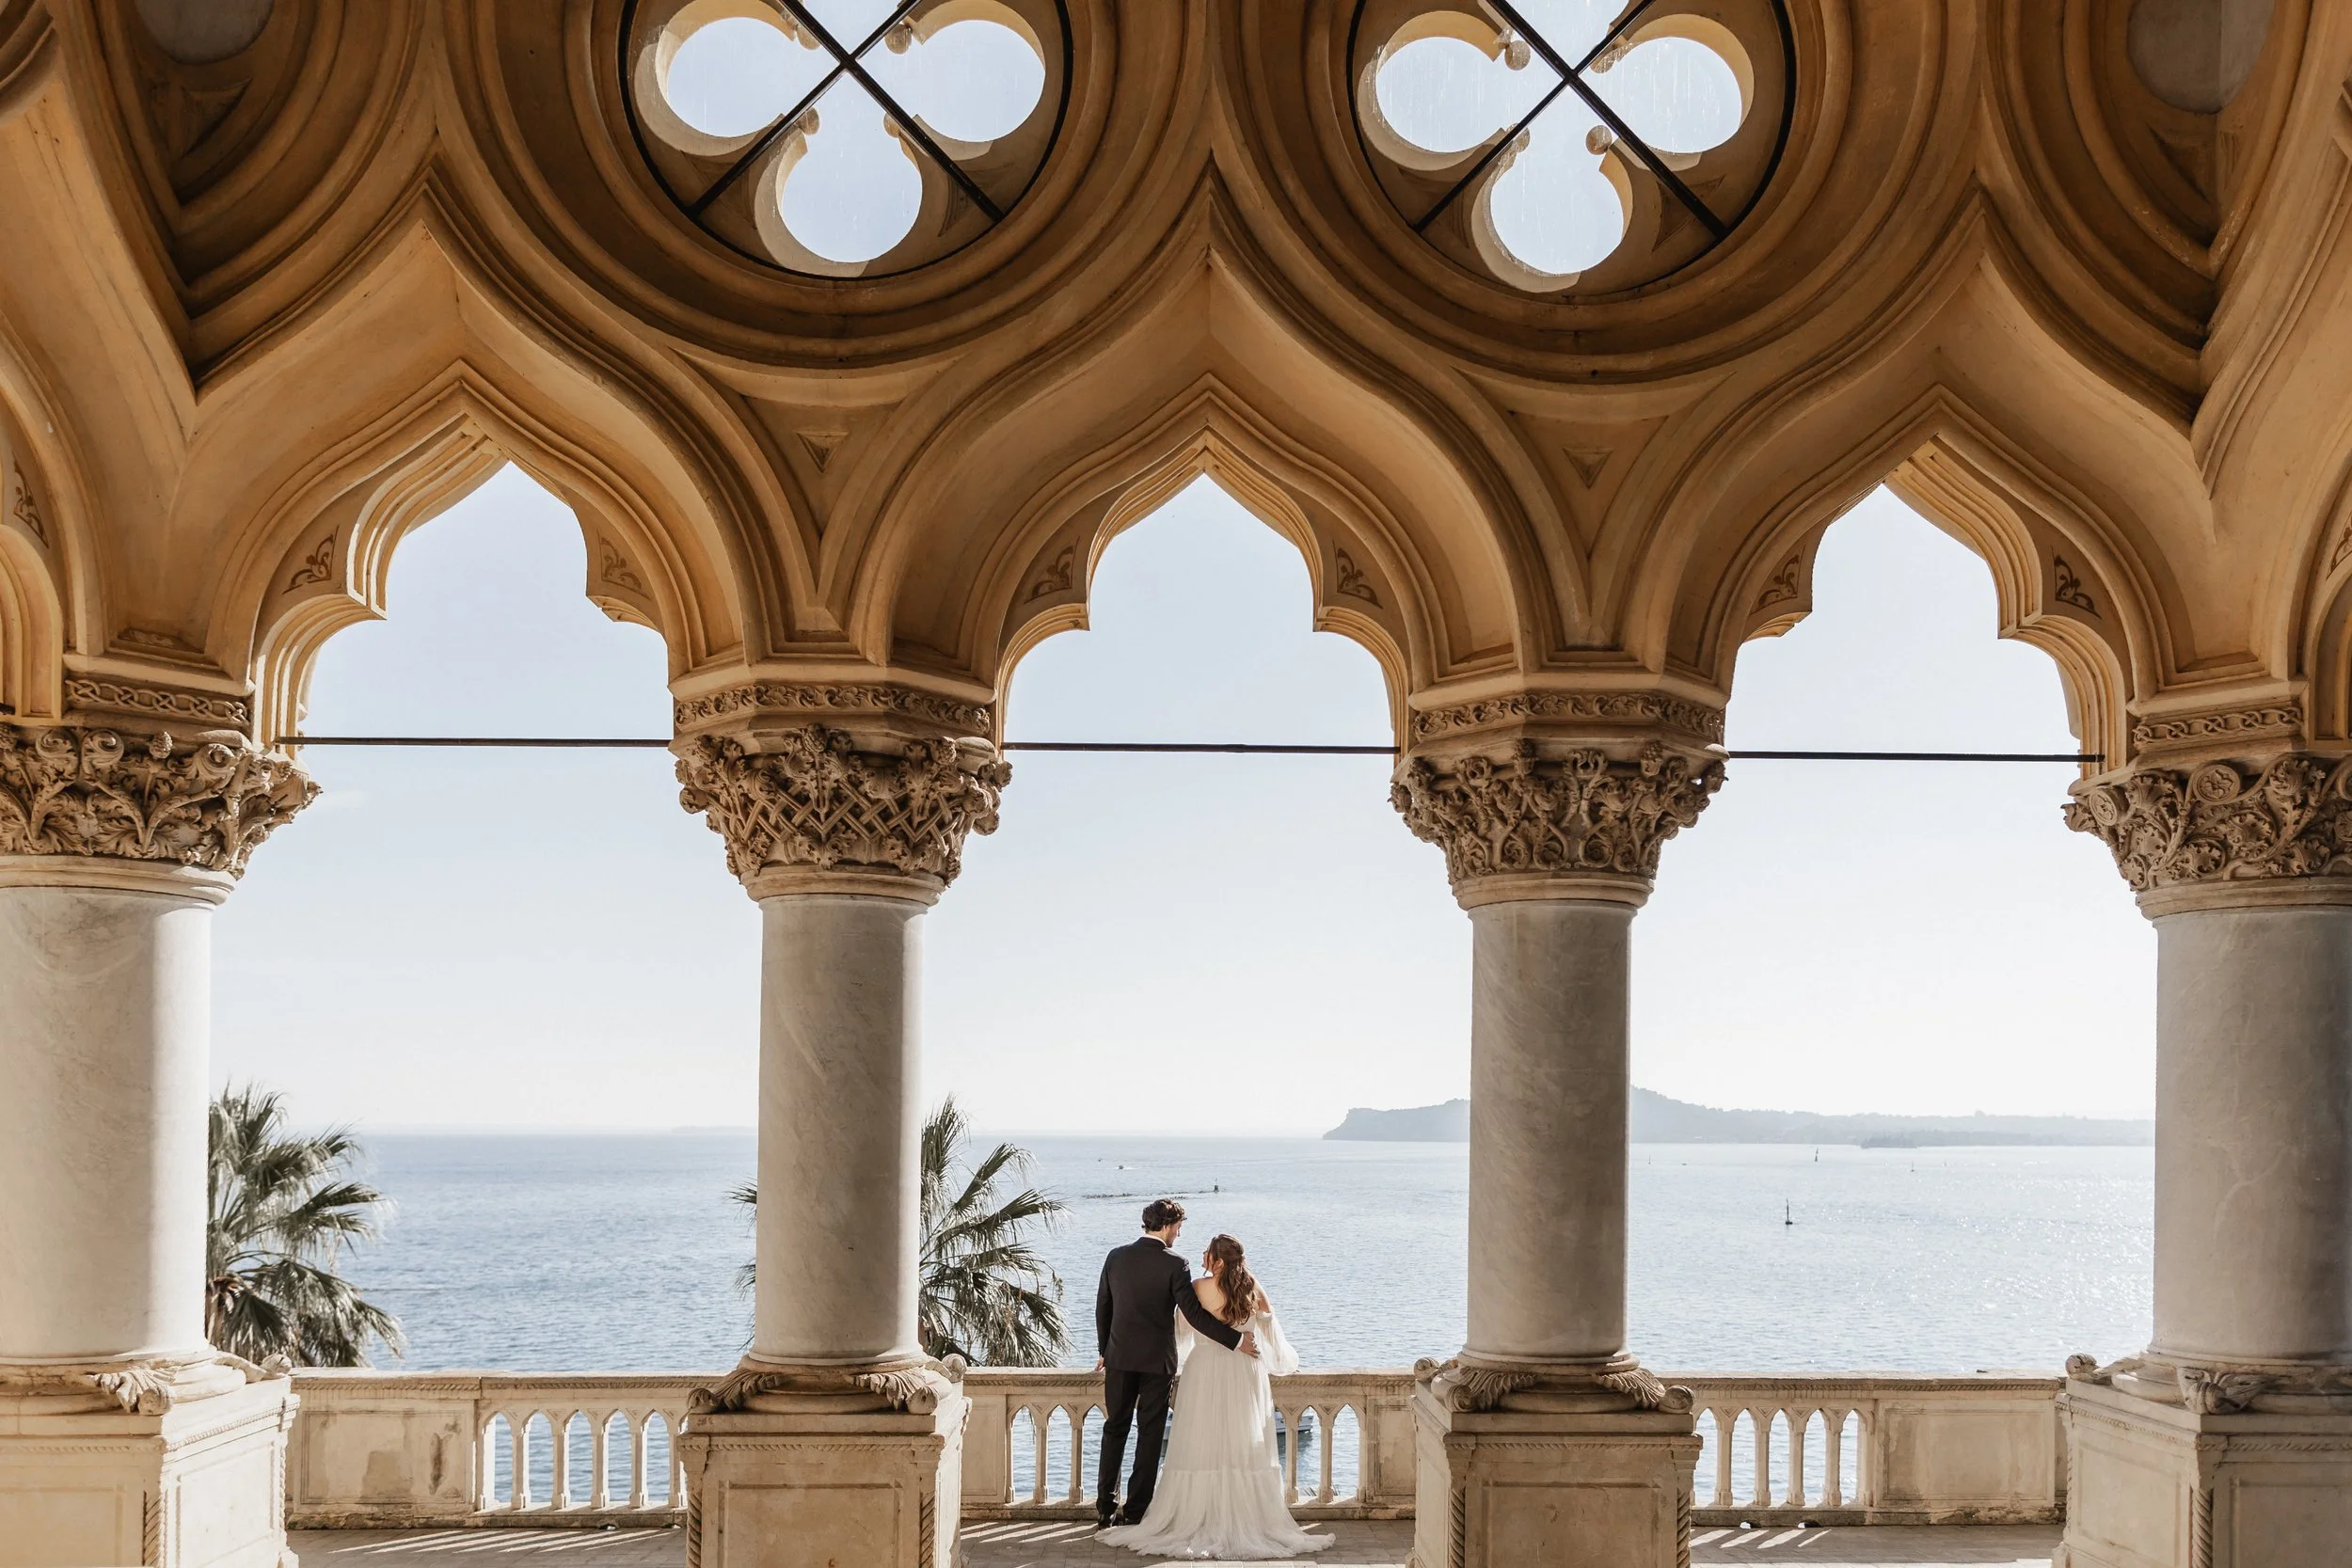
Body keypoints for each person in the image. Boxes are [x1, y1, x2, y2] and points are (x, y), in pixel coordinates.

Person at [1099, 1231, 1332, 1560]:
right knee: (1239, 1443)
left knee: (1200, 1441)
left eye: (1208, 1253)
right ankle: (1245, 1517)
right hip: (1244, 1373)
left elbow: (1181, 1330)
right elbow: (1270, 1330)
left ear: (1218, 1260)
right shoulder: (1253, 1287)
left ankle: (1193, 1514)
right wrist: (1281, 1360)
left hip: (1204, 1370)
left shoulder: (1197, 1288)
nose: (1202, 1256)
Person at [1094, 1198, 1257, 1528]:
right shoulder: (1175, 1264)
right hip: (1157, 1362)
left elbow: (1103, 1308)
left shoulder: (1116, 1256)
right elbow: (1195, 1316)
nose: (1179, 1235)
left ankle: (1105, 1509)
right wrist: (1236, 1340)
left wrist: (1104, 1350)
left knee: (1115, 1429)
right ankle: (1136, 1511)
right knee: (1149, 1435)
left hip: (1119, 1358)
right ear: (1167, 1226)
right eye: (1178, 1228)